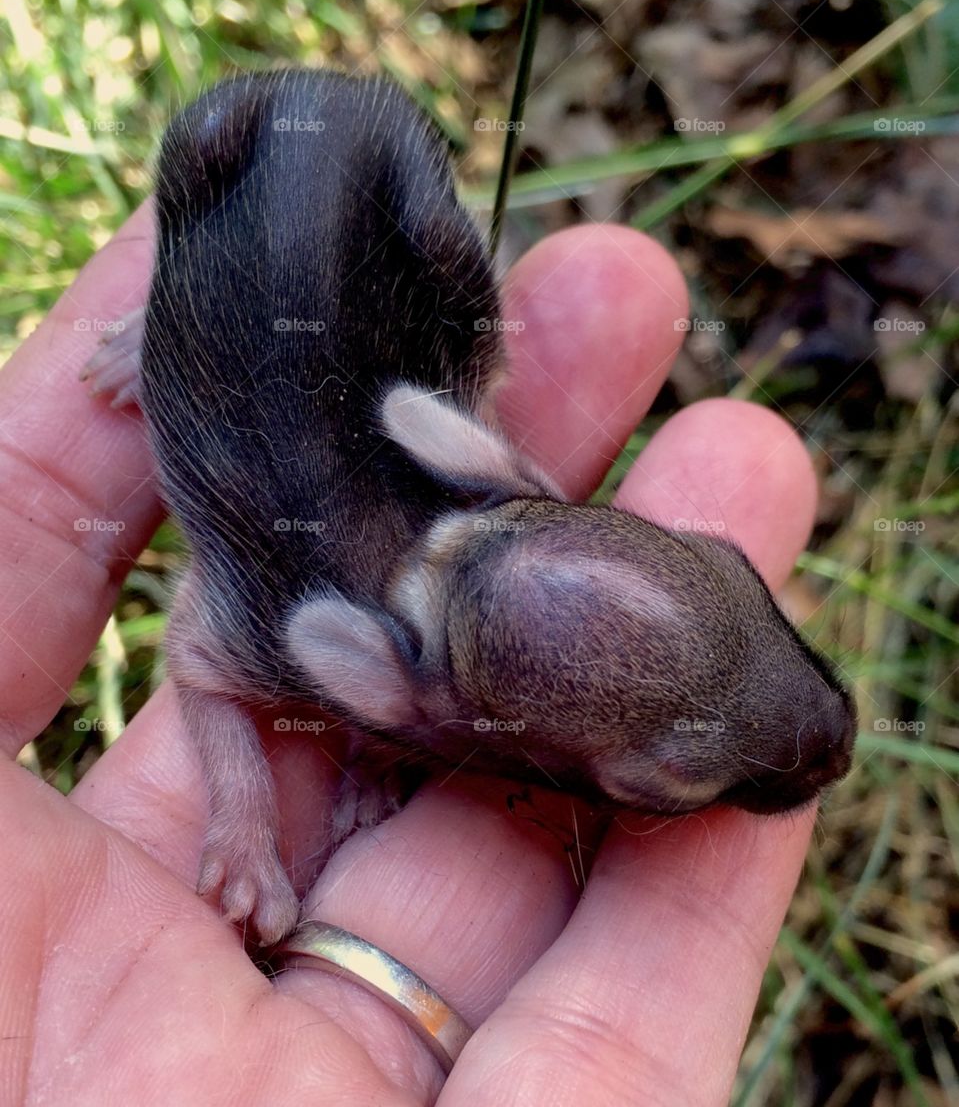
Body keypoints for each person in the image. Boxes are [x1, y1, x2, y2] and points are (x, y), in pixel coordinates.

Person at [0, 208, 820, 1104]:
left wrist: (377, 750)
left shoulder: (473, 501)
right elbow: (204, 647)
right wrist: (244, 817)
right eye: (662, 776)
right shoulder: (343, 634)